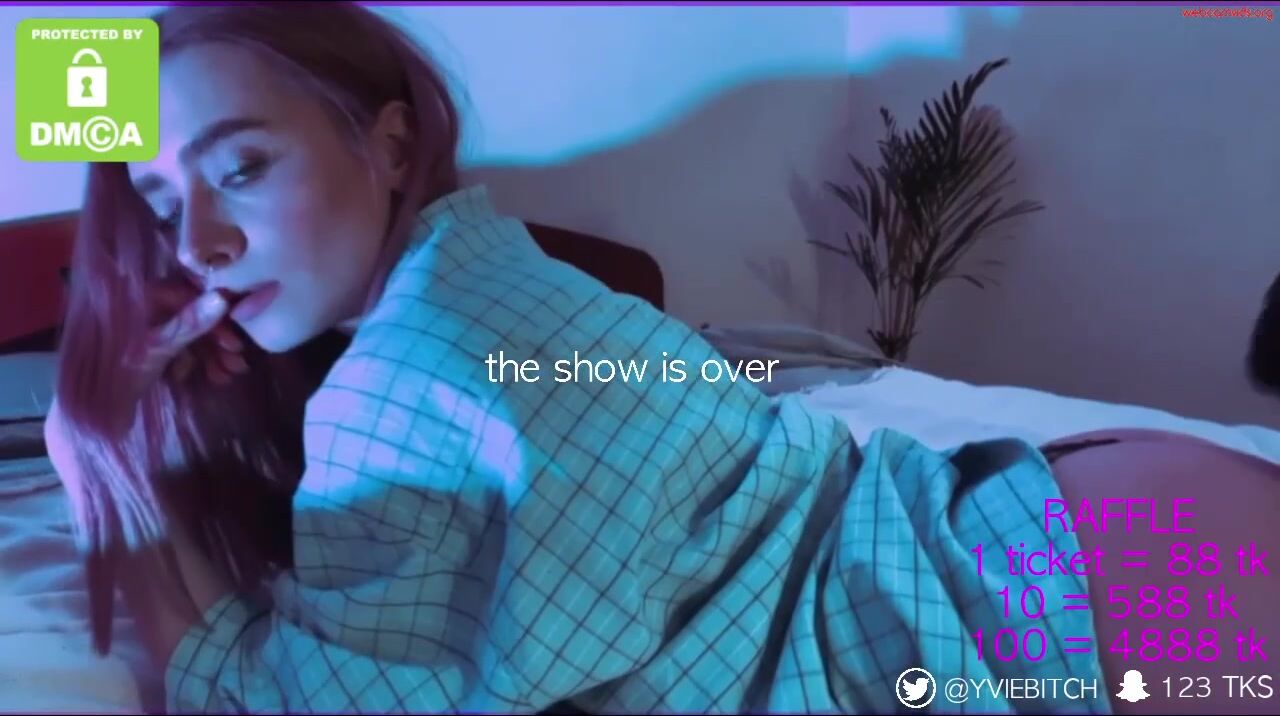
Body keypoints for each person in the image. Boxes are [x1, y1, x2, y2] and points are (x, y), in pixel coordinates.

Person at [42, 4, 1278, 714]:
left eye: (241, 165)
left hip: (1048, 603)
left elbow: (300, 698)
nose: (197, 240)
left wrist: (105, 469)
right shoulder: (490, 270)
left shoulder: (402, 385)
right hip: (1058, 512)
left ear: (393, 143)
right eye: (159, 200)